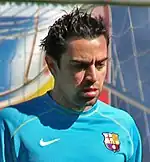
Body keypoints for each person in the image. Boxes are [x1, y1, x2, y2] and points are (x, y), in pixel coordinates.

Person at [0, 8, 142, 162]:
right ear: (52, 66)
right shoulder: (11, 124)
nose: (93, 76)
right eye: (79, 66)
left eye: (100, 64)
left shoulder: (124, 126)